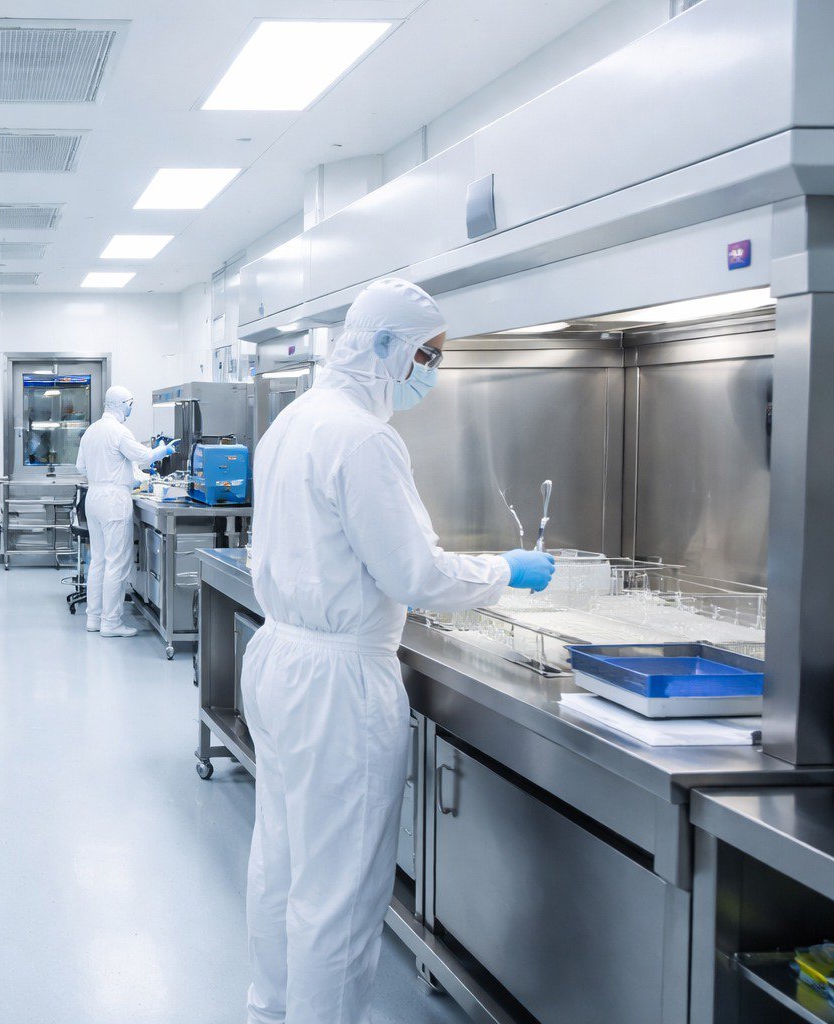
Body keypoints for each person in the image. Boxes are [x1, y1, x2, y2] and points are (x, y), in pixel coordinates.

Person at [243, 278, 554, 1024]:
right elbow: (415, 575)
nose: (430, 374)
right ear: (386, 348)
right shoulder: (363, 438)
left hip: (281, 657)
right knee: (341, 890)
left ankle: (270, 1010)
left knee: (281, 861)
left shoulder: (294, 420)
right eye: (428, 356)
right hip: (337, 682)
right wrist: (506, 570)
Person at [74, 385, 177, 638]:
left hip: (93, 497)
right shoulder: (119, 431)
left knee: (98, 560)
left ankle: (94, 618)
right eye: (130, 405)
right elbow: (142, 456)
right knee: (116, 562)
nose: (131, 409)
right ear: (123, 404)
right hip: (113, 500)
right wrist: (163, 450)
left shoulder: (91, 431)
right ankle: (111, 622)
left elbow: (81, 468)